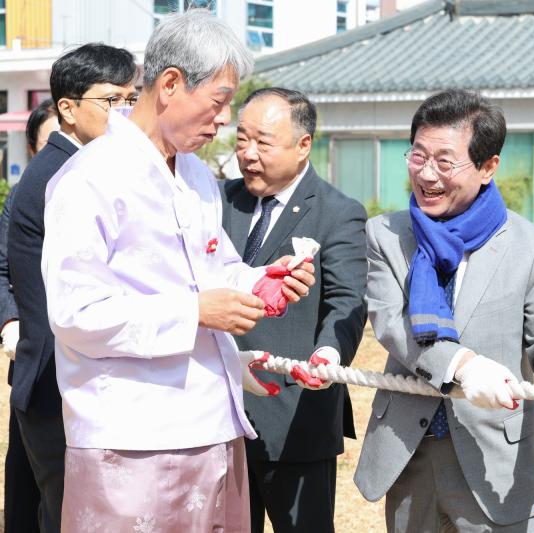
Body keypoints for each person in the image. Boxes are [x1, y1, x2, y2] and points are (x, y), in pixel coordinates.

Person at [41, 11, 316, 532]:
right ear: (170, 84)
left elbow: (214, 270)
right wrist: (194, 311)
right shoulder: (88, 179)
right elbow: (75, 312)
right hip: (131, 433)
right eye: (219, 101)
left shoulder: (195, 174)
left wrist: (257, 281)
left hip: (211, 419)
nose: (224, 120)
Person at [353, 89, 534, 532]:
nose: (427, 174)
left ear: (488, 168)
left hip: (496, 458)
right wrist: (463, 366)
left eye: (445, 162)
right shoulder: (385, 234)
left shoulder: (531, 245)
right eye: (418, 156)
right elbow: (393, 325)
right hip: (410, 452)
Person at [220, 87, 367, 533]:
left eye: (262, 143)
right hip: (219, 415)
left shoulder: (339, 213)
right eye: (241, 140)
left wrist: (328, 358)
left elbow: (348, 301)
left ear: (303, 145)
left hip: (296, 417)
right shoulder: (217, 201)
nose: (247, 154)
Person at [5, 46, 138, 533]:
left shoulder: (81, 166)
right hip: (57, 386)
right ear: (67, 107)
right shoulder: (63, 175)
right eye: (111, 101)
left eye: (131, 98)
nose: (125, 113)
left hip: (65, 380)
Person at [0, 97, 58, 533]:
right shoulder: (23, 197)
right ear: (36, 151)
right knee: (25, 479)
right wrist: (9, 322)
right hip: (33, 361)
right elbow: (2, 270)